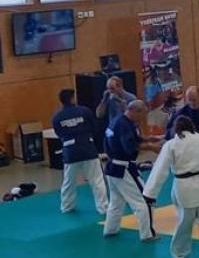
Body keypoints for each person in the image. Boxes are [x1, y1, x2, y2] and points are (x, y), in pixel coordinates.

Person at [142, 116, 199, 258]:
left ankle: (180, 256)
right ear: (192, 127)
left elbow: (160, 170)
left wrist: (150, 194)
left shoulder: (171, 145)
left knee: (184, 224)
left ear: (176, 129)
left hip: (185, 188)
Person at [102, 99, 159, 242]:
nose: (142, 118)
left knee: (116, 202)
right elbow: (130, 147)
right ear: (135, 111)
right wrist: (151, 147)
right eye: (142, 114)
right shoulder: (124, 125)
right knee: (144, 200)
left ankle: (110, 229)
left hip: (112, 167)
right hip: (124, 168)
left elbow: (133, 139)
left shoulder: (118, 121)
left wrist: (150, 139)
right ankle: (148, 234)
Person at [52, 88, 107, 216]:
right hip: (88, 148)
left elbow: (59, 133)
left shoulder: (57, 117)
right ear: (72, 98)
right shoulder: (84, 111)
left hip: (70, 151)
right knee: (97, 180)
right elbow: (95, 127)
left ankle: (67, 206)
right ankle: (103, 207)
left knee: (68, 181)